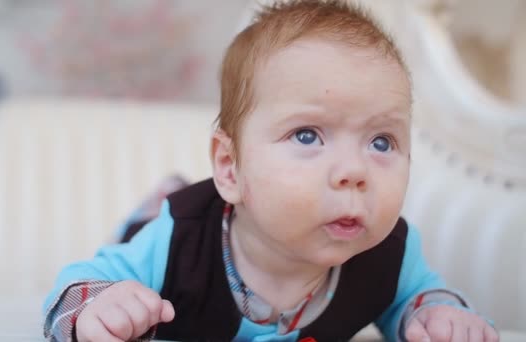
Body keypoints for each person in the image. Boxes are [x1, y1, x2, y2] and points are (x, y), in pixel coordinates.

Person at [43, 1, 498, 341]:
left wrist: (438, 316)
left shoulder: (390, 253)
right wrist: (98, 308)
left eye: (382, 142)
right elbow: (71, 291)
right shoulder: (178, 239)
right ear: (230, 167)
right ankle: (161, 194)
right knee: (141, 227)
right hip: (182, 219)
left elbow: (417, 298)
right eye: (307, 135)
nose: (354, 172)